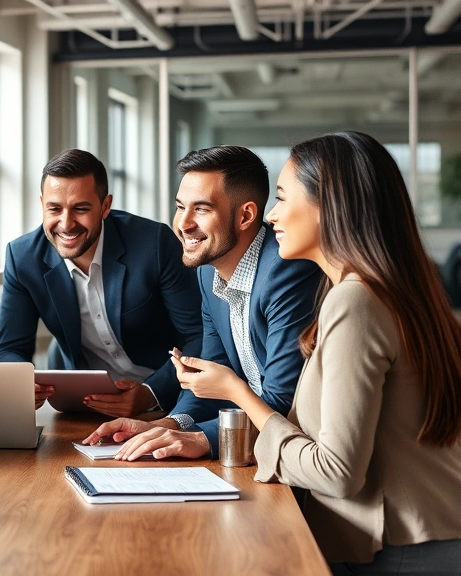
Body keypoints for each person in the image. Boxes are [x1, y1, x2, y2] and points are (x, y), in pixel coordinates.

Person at [174, 132, 461, 572]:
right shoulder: (373, 290)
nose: (271, 216)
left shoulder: (355, 300)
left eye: (284, 198)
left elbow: (336, 473)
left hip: (400, 550)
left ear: (330, 207)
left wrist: (236, 392)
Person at [84, 146, 322, 460]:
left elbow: (282, 402)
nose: (182, 224)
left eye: (201, 209)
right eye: (180, 206)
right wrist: (170, 424)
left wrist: (201, 440)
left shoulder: (286, 272)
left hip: (296, 455)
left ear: (246, 215)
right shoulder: (207, 271)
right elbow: (213, 381)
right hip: (252, 447)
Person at [0, 149, 202, 413]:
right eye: (54, 209)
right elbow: (8, 348)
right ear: (42, 203)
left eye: (80, 208)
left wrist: (151, 393)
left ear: (105, 207)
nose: (66, 224)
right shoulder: (22, 257)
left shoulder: (154, 244)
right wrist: (19, 382)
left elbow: (198, 335)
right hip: (86, 406)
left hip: (168, 399)